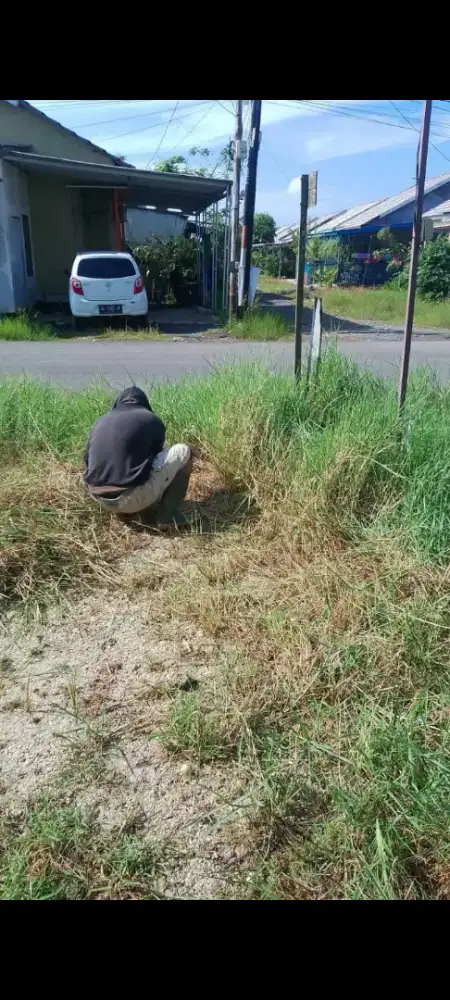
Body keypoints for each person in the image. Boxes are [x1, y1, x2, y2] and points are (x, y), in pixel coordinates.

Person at [83, 386, 193, 526]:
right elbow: (154, 459)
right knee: (184, 451)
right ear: (145, 404)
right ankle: (168, 515)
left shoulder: (100, 421)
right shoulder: (151, 419)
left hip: (98, 497)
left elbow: (87, 460)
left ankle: (126, 512)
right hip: (131, 499)